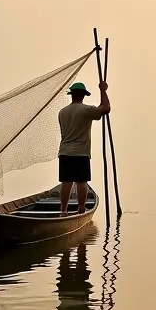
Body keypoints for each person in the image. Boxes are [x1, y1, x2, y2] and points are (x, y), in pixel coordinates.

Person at [57, 80, 110, 213]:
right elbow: (105, 108)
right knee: (82, 181)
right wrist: (103, 90)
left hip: (64, 152)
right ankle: (81, 208)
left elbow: (100, 110)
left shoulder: (62, 112)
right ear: (83, 95)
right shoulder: (86, 110)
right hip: (81, 152)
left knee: (66, 181)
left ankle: (63, 210)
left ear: (72, 95)